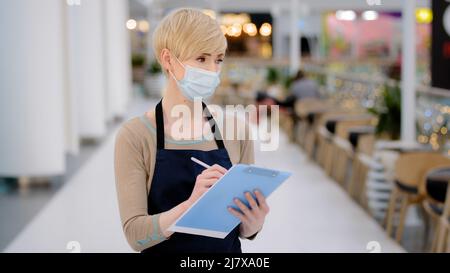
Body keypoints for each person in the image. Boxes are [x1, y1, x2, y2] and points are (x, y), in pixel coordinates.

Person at [114, 8, 269, 253]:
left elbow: (243, 228)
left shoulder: (235, 130)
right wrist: (190, 206)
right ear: (168, 60)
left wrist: (253, 224)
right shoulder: (135, 136)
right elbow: (135, 236)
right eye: (201, 59)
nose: (212, 70)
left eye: (218, 59)